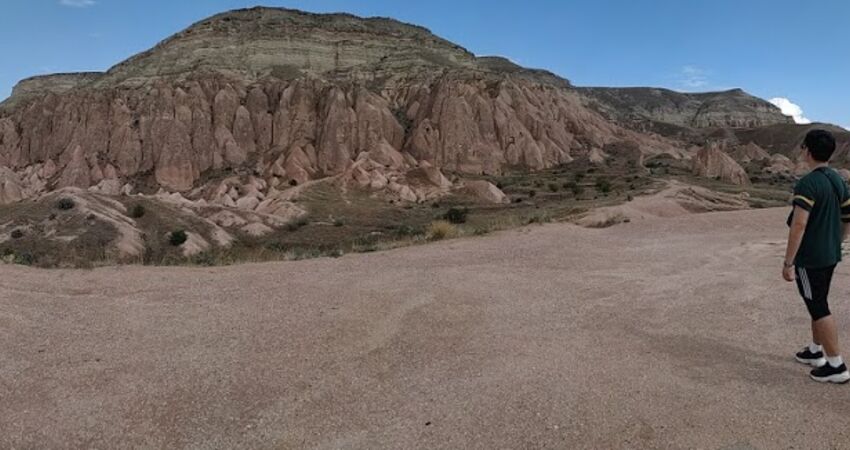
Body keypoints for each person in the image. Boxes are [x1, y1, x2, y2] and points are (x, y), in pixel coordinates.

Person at [783, 129, 850, 384]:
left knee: (819, 307)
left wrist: (788, 262)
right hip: (830, 255)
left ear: (807, 151)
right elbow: (848, 218)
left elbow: (798, 226)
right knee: (817, 301)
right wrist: (837, 241)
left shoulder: (808, 183)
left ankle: (836, 365)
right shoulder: (837, 180)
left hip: (810, 258)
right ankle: (815, 351)